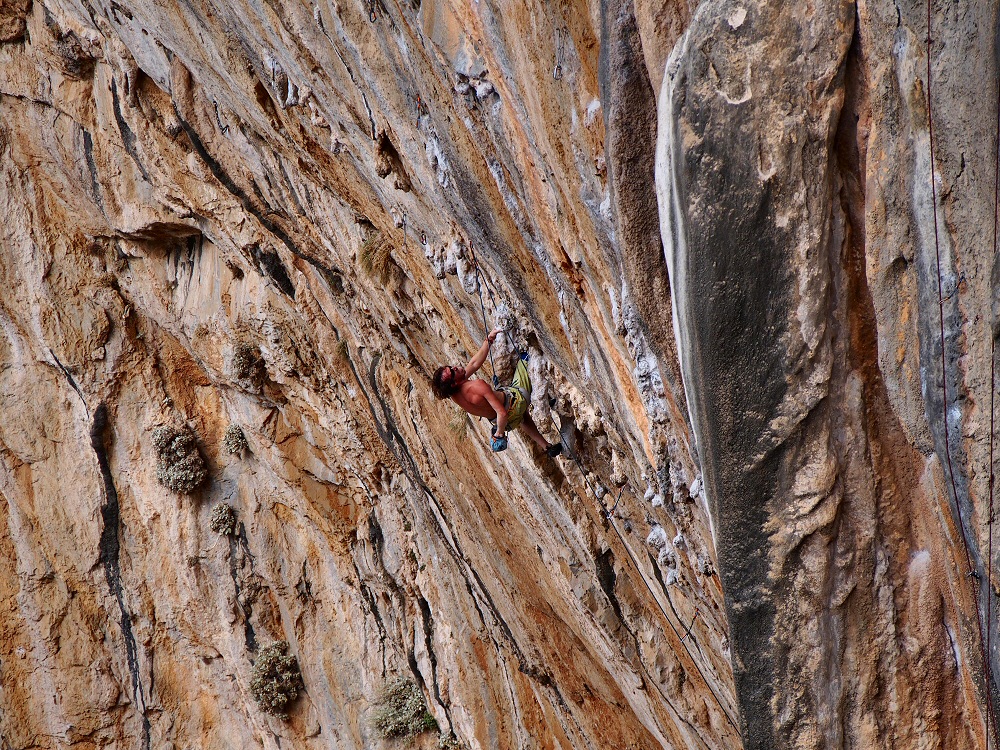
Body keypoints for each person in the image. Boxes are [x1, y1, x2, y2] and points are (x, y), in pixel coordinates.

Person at [432, 328, 562, 456]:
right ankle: (547, 399)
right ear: (455, 382)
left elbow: (474, 364)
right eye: (452, 371)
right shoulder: (477, 386)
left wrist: (488, 340)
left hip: (509, 423)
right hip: (516, 402)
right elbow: (502, 413)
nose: (454, 367)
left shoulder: (454, 394)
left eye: (450, 367)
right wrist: (499, 433)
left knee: (521, 417)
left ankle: (546, 446)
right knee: (527, 357)